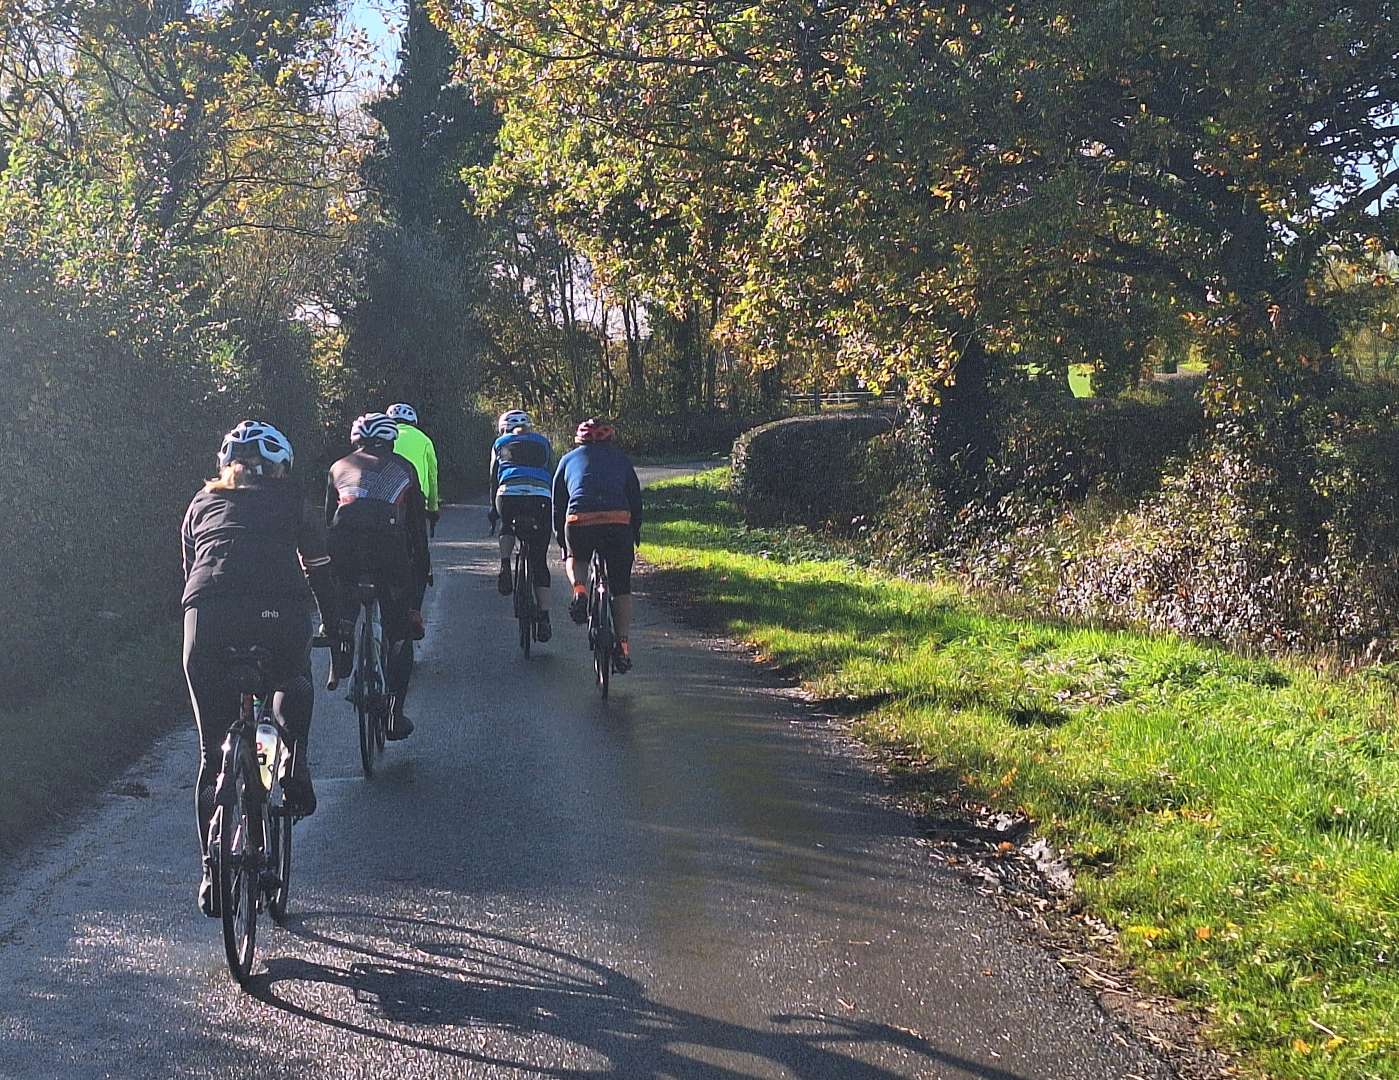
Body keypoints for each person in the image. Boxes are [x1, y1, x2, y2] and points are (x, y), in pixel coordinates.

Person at [181, 420, 335, 916]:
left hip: (207, 620)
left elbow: (191, 571)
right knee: (293, 677)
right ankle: (294, 763)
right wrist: (337, 630)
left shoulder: (201, 502)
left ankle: (212, 872)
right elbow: (319, 570)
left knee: (211, 756)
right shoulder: (293, 500)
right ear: (279, 468)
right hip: (277, 616)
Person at [325, 412, 430, 738]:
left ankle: (341, 632)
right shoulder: (404, 469)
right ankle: (395, 714)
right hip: (389, 554)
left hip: (345, 551)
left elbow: (328, 522)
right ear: (390, 441)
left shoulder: (338, 467)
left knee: (344, 591)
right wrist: (422, 571)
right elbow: (417, 530)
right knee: (400, 633)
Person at [552, 418, 642, 672]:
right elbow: (635, 500)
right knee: (621, 587)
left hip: (580, 521)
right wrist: (634, 532)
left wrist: (562, 540)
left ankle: (580, 591)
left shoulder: (567, 460)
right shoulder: (622, 460)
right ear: (610, 439)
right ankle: (623, 647)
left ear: (579, 440)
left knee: (577, 558)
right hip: (618, 522)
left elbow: (558, 504)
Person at [489, 409, 553, 642]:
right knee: (539, 560)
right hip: (540, 497)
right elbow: (550, 471)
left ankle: (505, 565)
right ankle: (544, 617)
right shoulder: (543, 442)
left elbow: (494, 478)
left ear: (503, 429)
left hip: (509, 495)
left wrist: (492, 510)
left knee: (506, 525)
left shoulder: (499, 443)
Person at [386, 402, 438, 611]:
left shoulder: (385, 439)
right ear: (413, 422)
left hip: (386, 500)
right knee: (420, 552)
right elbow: (432, 476)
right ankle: (415, 609)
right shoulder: (424, 440)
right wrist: (433, 507)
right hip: (415, 500)